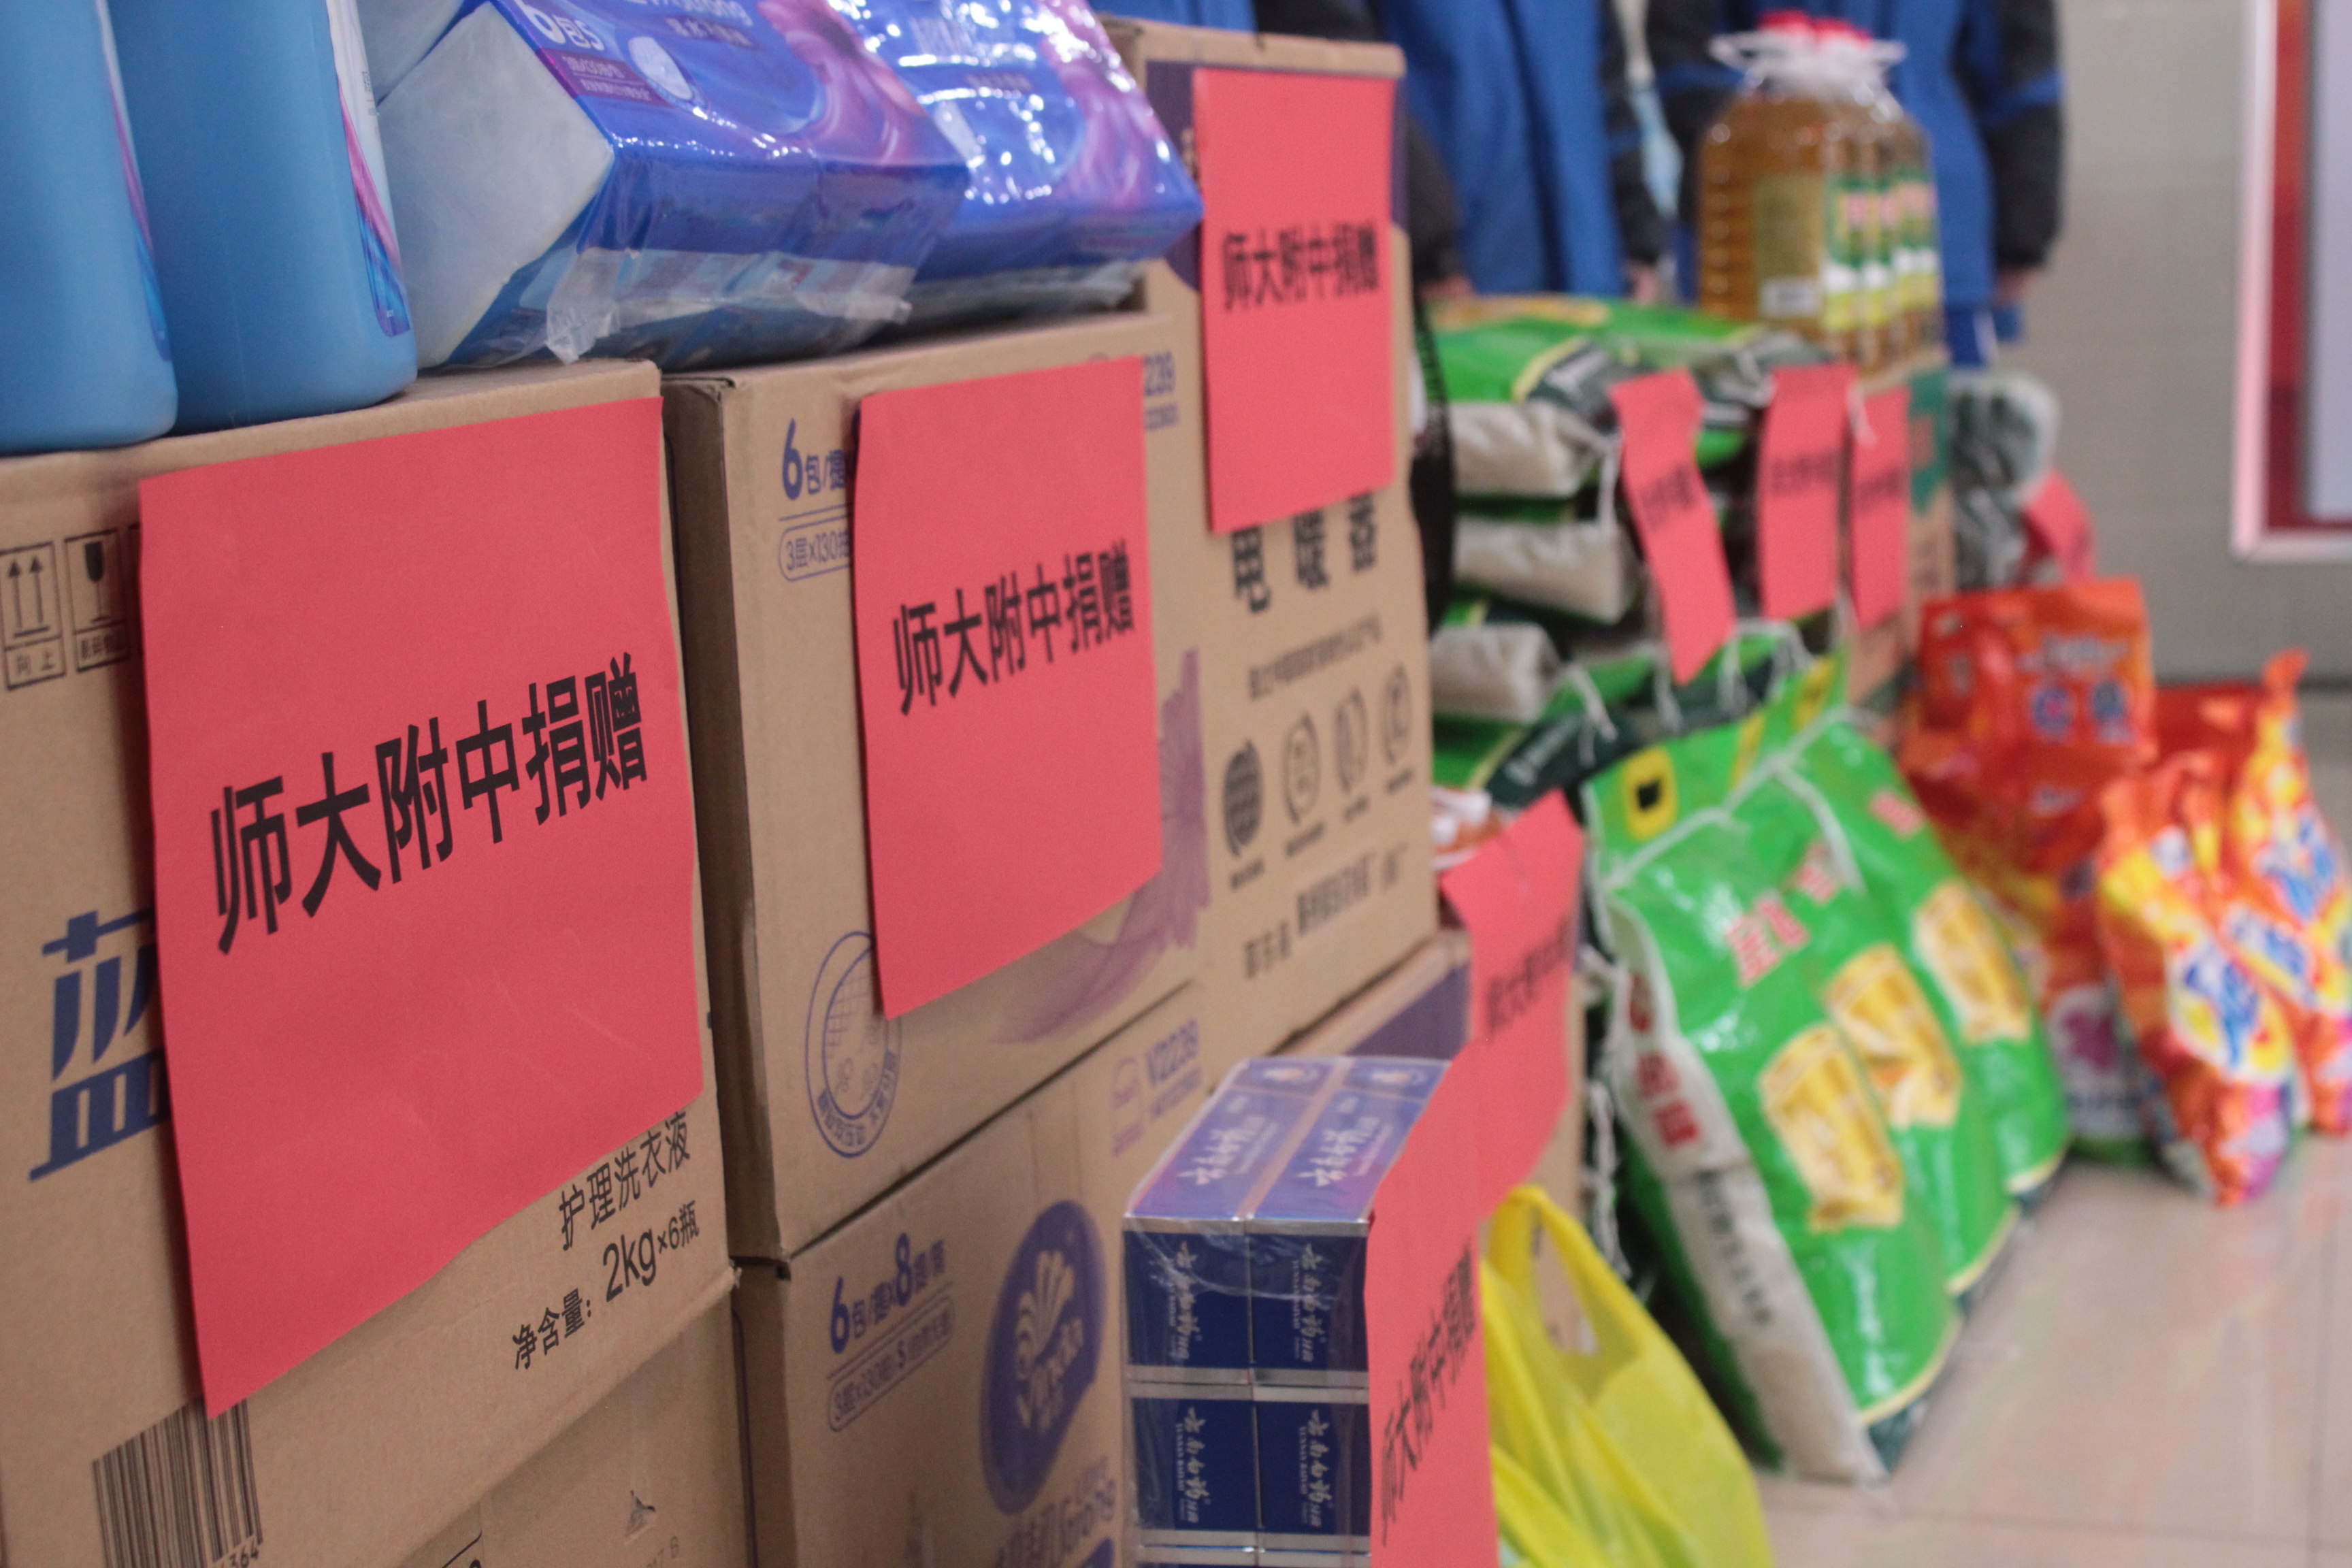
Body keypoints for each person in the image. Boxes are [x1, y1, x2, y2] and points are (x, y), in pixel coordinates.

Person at [1648, 0, 2062, 364]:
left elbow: (2021, 72)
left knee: (1931, 407)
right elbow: (1683, 49)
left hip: (1933, 232)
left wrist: (2024, 229)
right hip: (1757, 234)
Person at [1258, 0, 1667, 300]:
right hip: (1455, 290)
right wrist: (1430, 252)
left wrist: (1639, 236)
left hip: (1594, 279)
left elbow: (1604, 74)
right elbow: (1338, 63)